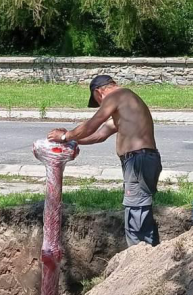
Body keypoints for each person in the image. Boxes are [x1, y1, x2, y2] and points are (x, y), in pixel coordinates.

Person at [48, 74, 161, 247]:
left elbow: (93, 124)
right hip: (143, 160)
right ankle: (149, 258)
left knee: (136, 216)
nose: (101, 105)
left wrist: (65, 135)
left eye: (98, 101)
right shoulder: (128, 106)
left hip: (138, 161)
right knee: (140, 211)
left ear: (99, 92)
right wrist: (72, 139)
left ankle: (140, 263)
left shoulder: (116, 95)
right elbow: (99, 134)